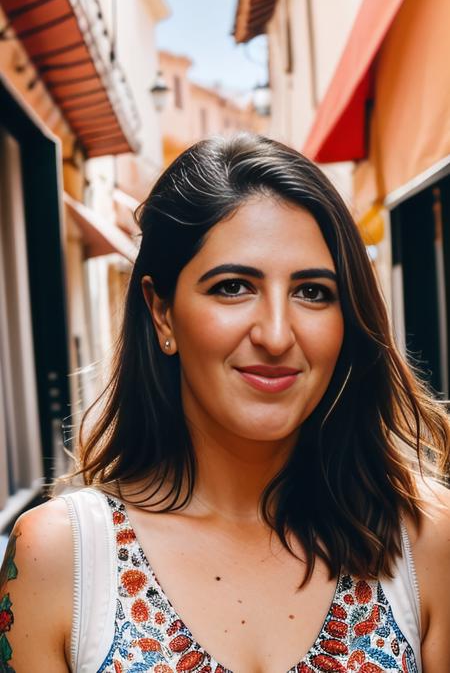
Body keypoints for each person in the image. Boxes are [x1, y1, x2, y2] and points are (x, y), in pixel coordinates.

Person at [1, 133, 449, 673]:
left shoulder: (425, 542)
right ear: (162, 313)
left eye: (312, 292)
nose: (278, 335)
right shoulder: (59, 557)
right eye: (234, 287)